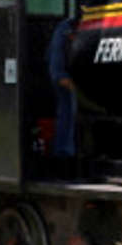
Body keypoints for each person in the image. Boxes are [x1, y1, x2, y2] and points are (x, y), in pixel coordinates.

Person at [47, 18, 77, 160]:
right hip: (63, 74)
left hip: (72, 73)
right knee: (68, 105)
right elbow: (57, 72)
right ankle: (64, 152)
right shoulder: (65, 29)